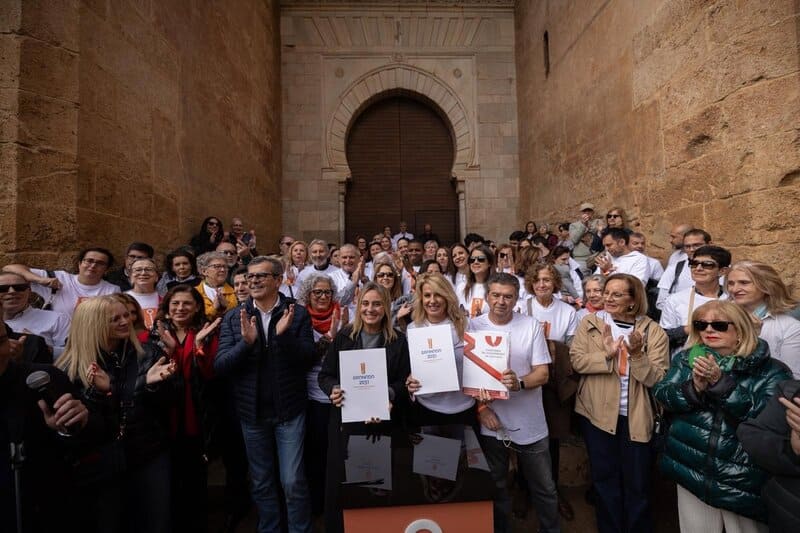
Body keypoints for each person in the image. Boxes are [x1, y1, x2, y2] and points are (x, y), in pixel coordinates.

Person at [653, 301, 793, 532]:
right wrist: (694, 389)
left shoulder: (773, 371)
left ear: (740, 330)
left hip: (742, 481)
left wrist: (721, 385)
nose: (708, 330)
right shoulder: (686, 359)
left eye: (718, 325)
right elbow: (662, 395)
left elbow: (767, 420)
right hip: (691, 472)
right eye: (701, 324)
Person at [56, 295, 174, 532]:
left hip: (147, 452)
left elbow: (168, 404)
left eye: (127, 315)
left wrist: (152, 386)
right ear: (93, 324)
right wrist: (100, 393)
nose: (125, 321)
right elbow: (83, 426)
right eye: (115, 319)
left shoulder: (148, 354)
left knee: (156, 522)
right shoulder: (70, 367)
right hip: (100, 461)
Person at [215, 256, 315, 533]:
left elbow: (308, 358)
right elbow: (221, 365)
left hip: (289, 411)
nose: (254, 281)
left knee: (292, 481)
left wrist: (284, 337)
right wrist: (246, 344)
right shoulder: (235, 317)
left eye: (261, 276)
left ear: (278, 280)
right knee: (261, 481)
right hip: (252, 413)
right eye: (250, 276)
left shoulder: (296, 313)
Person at [570, 273, 669, 533]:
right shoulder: (590, 323)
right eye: (607, 293)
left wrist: (637, 355)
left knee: (638, 483)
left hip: (636, 417)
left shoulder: (653, 331)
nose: (608, 298)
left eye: (617, 294)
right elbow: (577, 362)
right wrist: (607, 353)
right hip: (597, 416)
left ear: (633, 300)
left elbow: (658, 379)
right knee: (605, 480)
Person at [469, 272, 559, 533]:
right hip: (491, 422)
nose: (501, 301)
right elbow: (468, 378)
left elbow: (542, 373)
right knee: (496, 486)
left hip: (529, 422)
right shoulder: (473, 326)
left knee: (544, 487)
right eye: (496, 295)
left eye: (508, 297)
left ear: (517, 298)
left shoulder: (530, 326)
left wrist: (519, 383)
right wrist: (482, 408)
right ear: (487, 296)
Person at [317, 282, 411, 533]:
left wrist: (388, 395)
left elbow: (404, 381)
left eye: (377, 304)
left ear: (386, 307)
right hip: (346, 424)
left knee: (375, 487)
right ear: (359, 307)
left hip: (382, 425)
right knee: (343, 485)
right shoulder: (344, 337)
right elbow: (325, 375)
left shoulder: (398, 341)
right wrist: (333, 389)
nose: (371, 309)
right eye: (366, 303)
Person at [0, 318, 93, 533]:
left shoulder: (43, 380)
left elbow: (91, 440)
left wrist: (71, 427)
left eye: (1, 341)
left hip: (42, 510)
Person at [153, 284, 222, 533]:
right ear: (167, 308)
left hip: (197, 416)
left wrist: (200, 348)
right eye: (175, 304)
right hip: (164, 418)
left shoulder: (207, 332)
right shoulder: (155, 334)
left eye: (187, 303)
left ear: (196, 307)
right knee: (167, 481)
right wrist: (168, 351)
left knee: (195, 479)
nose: (180, 308)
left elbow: (213, 374)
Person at [296, 273, 346, 518]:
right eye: (317, 292)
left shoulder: (344, 317)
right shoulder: (299, 320)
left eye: (327, 292)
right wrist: (328, 339)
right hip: (311, 397)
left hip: (340, 396)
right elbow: (301, 360)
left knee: (337, 455)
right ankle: (317, 506)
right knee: (315, 454)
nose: (323, 296)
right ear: (308, 295)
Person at [405, 273, 474, 425]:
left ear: (447, 296)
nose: (432, 301)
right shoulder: (413, 329)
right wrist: (410, 381)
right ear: (421, 298)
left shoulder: (466, 325)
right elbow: (411, 369)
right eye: (427, 295)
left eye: (438, 295)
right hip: (426, 408)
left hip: (463, 407)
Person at [738, 379, 800, 532]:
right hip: (787, 517)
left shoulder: (774, 374)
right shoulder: (791, 391)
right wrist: (792, 450)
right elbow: (751, 435)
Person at [726, 261, 800, 378]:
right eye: (731, 283)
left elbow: (791, 376)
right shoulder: (715, 316)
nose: (734, 289)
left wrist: (754, 338)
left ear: (766, 286)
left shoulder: (790, 327)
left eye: (744, 283)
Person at [3, 247, 120, 318]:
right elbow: (9, 268)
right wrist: (41, 280)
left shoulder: (112, 290)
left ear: (106, 269)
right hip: (54, 342)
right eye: (89, 261)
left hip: (90, 341)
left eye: (100, 263)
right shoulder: (59, 278)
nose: (93, 265)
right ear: (79, 264)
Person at [659, 245, 730, 355]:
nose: (698, 268)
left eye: (707, 265)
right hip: (684, 362)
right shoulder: (675, 300)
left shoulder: (731, 299)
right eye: (694, 263)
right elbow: (662, 338)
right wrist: (686, 330)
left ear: (722, 271)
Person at [1, 271, 70, 357]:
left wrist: (38, 345)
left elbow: (75, 355)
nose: (12, 291)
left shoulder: (57, 319)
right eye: (3, 288)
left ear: (29, 291)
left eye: (19, 287)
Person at [656, 228, 711, 310]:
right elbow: (661, 302)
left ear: (709, 244)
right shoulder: (674, 269)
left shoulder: (721, 270)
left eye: (697, 245)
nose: (692, 249)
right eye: (687, 246)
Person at [195, 251, 237, 321]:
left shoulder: (235, 290)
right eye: (217, 266)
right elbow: (194, 318)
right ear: (204, 271)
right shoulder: (195, 293)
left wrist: (226, 306)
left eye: (225, 267)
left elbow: (238, 315)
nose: (223, 270)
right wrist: (214, 308)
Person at [456, 245, 495, 318]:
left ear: (489, 263)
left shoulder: (497, 287)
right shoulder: (461, 287)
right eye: (472, 260)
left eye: (481, 259)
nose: (476, 262)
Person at [126, 257, 162, 329]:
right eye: (138, 270)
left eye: (149, 269)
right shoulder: (121, 299)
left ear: (157, 277)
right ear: (130, 277)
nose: (143, 273)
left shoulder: (165, 299)